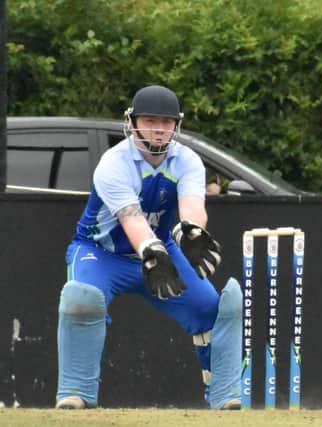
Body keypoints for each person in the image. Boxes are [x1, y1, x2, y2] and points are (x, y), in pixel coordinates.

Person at [55, 85, 241, 410]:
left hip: (162, 248)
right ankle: (76, 394)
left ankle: (224, 396)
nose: (159, 129)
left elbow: (192, 204)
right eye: (150, 120)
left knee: (212, 307)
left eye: (166, 122)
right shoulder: (113, 163)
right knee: (80, 298)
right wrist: (151, 251)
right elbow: (132, 220)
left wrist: (192, 232)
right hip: (101, 253)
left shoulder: (188, 160)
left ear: (176, 125)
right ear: (133, 122)